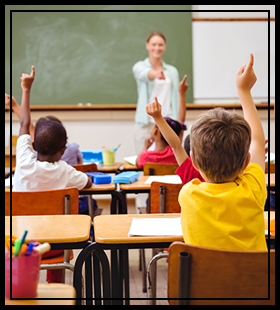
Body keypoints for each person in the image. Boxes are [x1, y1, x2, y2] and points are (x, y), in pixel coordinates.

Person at [179, 54, 267, 251]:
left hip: (204, 283)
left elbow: (256, 143)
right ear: (246, 163)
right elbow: (258, 142)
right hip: (255, 282)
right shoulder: (253, 189)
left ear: (193, 161)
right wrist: (244, 91)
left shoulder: (188, 194)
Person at [13, 65, 92, 282]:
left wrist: (26, 89)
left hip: (20, 245)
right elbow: (88, 183)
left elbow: (23, 124)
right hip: (56, 247)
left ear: (34, 145)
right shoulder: (65, 171)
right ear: (64, 151)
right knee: (56, 231)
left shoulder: (23, 163)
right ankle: (56, 287)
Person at [132, 31, 181, 155]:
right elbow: (143, 73)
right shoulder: (139, 66)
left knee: (168, 160)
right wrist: (155, 74)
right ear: (147, 45)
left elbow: (176, 98)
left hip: (167, 122)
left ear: (164, 47)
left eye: (160, 45)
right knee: (144, 158)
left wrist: (178, 123)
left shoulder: (172, 71)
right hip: (146, 122)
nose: (157, 48)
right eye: (153, 44)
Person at [5, 94, 83, 165]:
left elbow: (26, 125)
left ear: (34, 145)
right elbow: (80, 165)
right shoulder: (73, 149)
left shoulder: (33, 156)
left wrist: (14, 105)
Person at [136, 75, 188, 169]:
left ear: (156, 132)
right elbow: (181, 122)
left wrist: (145, 147)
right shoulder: (176, 154)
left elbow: (138, 162)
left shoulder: (146, 156)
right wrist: (182, 94)